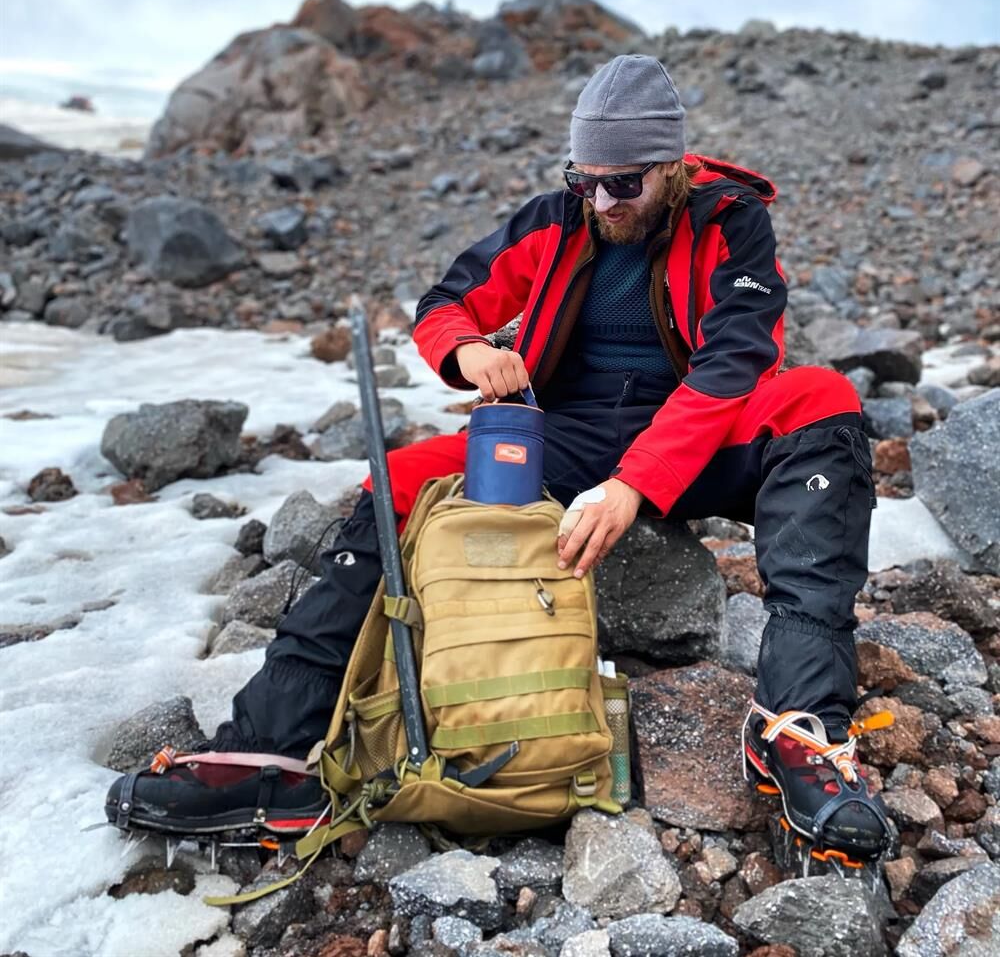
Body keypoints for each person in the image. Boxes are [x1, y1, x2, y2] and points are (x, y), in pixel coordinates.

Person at [107, 55, 890, 863]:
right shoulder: (555, 219)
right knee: (401, 478)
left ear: (670, 167)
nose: (601, 202)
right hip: (568, 436)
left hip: (698, 435)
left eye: (623, 184)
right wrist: (469, 353)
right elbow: (444, 303)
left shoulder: (731, 221)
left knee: (822, 398)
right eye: (585, 181)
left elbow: (735, 361)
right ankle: (268, 753)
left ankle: (801, 731)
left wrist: (633, 485)